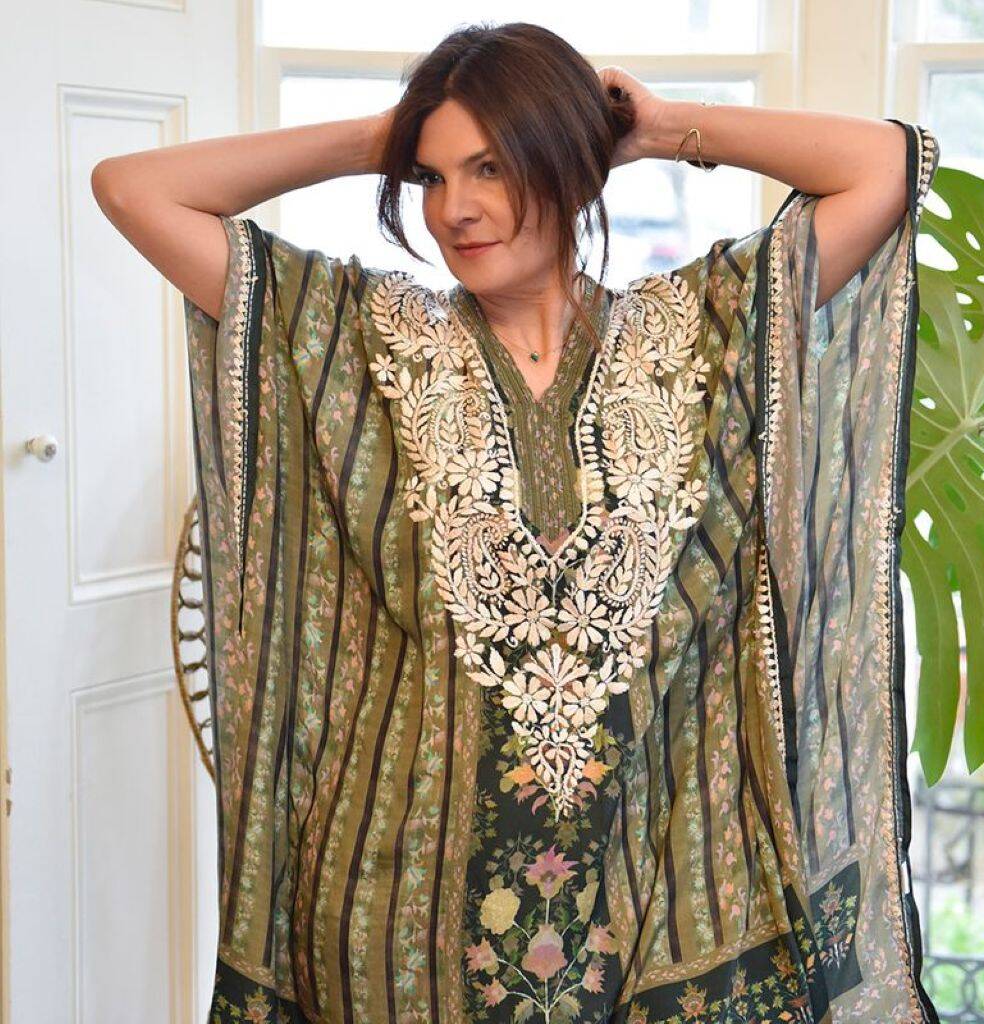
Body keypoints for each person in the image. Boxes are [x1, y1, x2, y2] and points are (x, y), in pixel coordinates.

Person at [92, 20, 941, 1024]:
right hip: (396, 928)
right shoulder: (360, 339)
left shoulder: (699, 332)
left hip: (656, 917)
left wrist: (662, 128)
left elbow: (884, 168)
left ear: (566, 165)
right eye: (432, 176)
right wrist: (379, 139)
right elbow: (132, 188)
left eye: (490, 167)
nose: (454, 209)